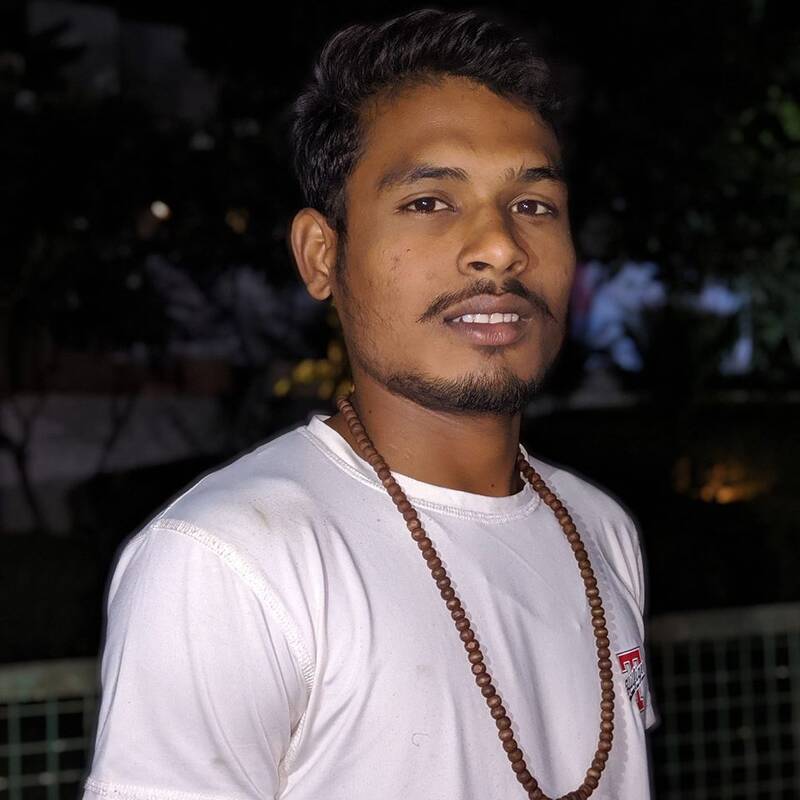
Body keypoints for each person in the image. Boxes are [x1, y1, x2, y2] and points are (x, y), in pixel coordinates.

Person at [82, 8, 656, 800]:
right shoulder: (227, 560)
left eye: (533, 205)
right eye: (429, 202)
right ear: (322, 254)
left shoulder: (602, 531)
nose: (500, 247)